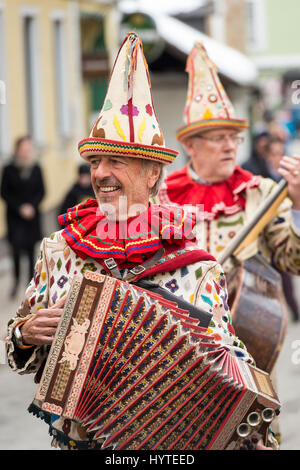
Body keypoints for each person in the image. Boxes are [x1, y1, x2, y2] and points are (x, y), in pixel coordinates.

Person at [5, 33, 273, 451]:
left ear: (152, 174)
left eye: (116, 160)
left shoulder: (194, 265)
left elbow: (229, 359)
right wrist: (25, 333)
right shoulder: (60, 250)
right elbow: (16, 344)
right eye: (95, 161)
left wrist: (256, 431)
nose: (101, 173)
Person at [1, 135, 45, 298]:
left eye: (30, 148)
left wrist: (31, 206)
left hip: (32, 217)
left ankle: (29, 284)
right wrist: (20, 207)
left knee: (31, 250)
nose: (28, 151)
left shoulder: (36, 167)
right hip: (15, 218)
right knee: (16, 251)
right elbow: (4, 192)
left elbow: (42, 191)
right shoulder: (9, 168)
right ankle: (16, 281)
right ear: (18, 150)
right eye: (25, 148)